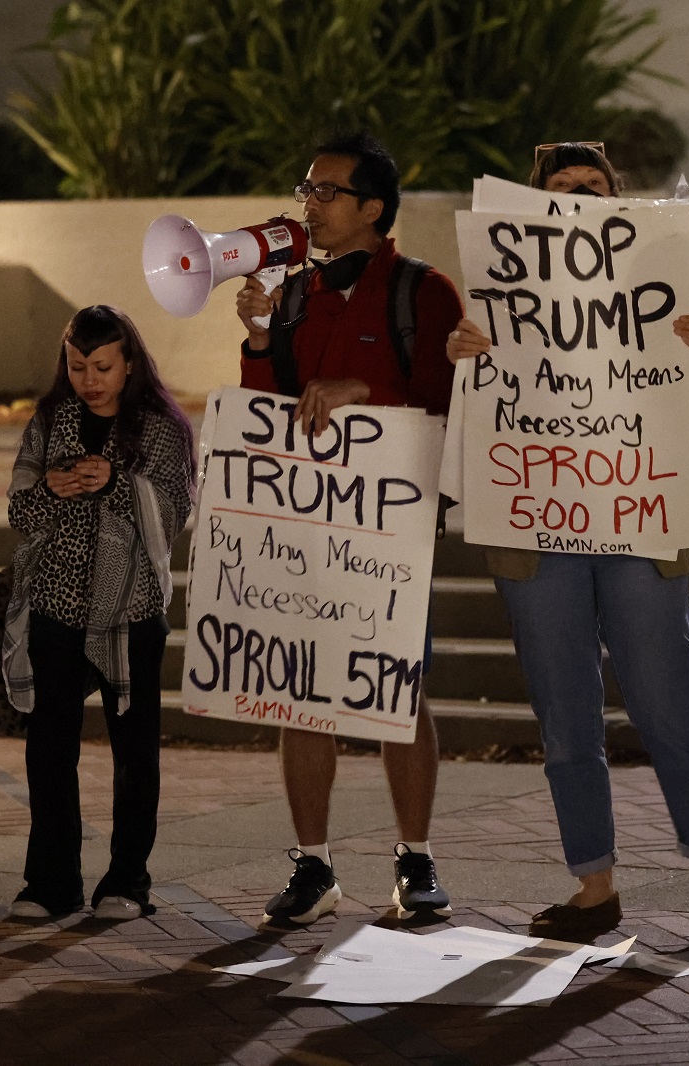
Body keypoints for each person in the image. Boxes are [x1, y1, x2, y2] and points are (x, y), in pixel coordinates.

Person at [445, 142, 689, 946]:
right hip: (537, 533)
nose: (578, 196)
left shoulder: (661, 292)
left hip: (638, 523)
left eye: (593, 187)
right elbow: (477, 419)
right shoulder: (497, 302)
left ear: (617, 205)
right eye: (561, 188)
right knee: (565, 717)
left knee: (665, 699)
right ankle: (594, 886)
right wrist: (464, 363)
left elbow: (688, 416)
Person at [235, 131, 460, 926]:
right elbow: (267, 409)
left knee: (396, 686)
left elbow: (445, 411)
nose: (310, 205)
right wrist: (261, 338)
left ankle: (415, 855)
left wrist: (363, 387)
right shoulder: (295, 294)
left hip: (387, 528)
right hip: (303, 521)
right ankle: (315, 865)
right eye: (307, 189)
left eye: (327, 192)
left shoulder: (423, 293)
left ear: (373, 208)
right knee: (302, 692)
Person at [1, 305, 196, 920]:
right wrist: (46, 491)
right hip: (55, 608)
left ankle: (127, 881)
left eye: (103, 366)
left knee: (134, 752)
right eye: (79, 365)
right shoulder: (49, 420)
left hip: (131, 610)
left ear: (130, 363)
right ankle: (51, 883)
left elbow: (173, 514)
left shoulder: (160, 428)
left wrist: (115, 480)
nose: (90, 379)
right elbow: (18, 513)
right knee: (49, 749)